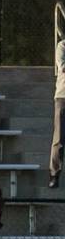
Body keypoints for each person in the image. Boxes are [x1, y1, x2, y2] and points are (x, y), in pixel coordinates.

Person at [50, 39, 65, 189]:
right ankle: (54, 173)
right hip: (63, 96)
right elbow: (63, 67)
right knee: (59, 138)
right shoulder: (62, 46)